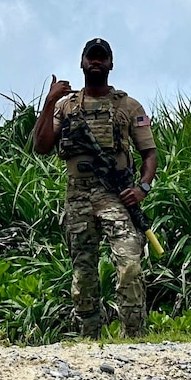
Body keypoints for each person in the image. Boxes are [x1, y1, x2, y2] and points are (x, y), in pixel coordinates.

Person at [32, 38, 158, 338]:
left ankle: (134, 338)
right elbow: (41, 146)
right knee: (83, 273)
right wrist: (49, 102)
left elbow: (149, 154)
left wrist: (142, 188)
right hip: (78, 195)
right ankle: (90, 339)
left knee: (129, 264)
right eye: (91, 57)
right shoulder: (66, 106)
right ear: (82, 62)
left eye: (102, 58)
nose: (96, 62)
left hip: (116, 195)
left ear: (111, 64)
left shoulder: (128, 106)